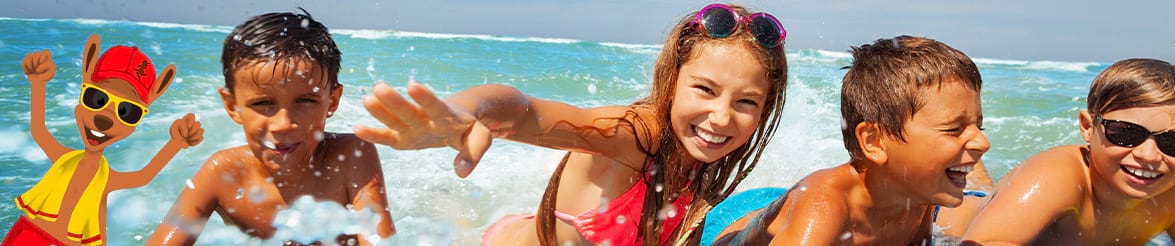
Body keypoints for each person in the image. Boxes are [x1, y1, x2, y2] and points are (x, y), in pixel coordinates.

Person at [353, 3, 788, 245]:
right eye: (705, 90)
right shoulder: (631, 133)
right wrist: (470, 109)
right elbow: (525, 111)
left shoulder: (700, 160)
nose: (722, 116)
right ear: (672, 82)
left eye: (746, 101)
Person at [147, 9, 395, 245]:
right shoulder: (223, 174)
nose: (283, 124)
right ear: (233, 106)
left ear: (333, 100)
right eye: (263, 103)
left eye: (306, 100)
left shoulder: (350, 157)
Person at [711, 35, 990, 245]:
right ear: (874, 141)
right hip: (732, 223)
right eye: (954, 129)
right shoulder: (824, 210)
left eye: (979, 127)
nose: (982, 142)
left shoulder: (917, 194)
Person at [961, 58, 1175, 245]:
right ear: (1087, 127)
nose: (1149, 155)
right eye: (1126, 133)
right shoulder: (1059, 177)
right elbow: (989, 241)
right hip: (960, 217)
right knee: (980, 194)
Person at [5, 34, 201, 246]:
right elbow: (38, 130)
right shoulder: (65, 160)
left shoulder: (105, 178)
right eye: (97, 99)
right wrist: (37, 82)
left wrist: (176, 144)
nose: (105, 118)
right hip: (30, 235)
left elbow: (143, 176)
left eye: (126, 111)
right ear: (84, 87)